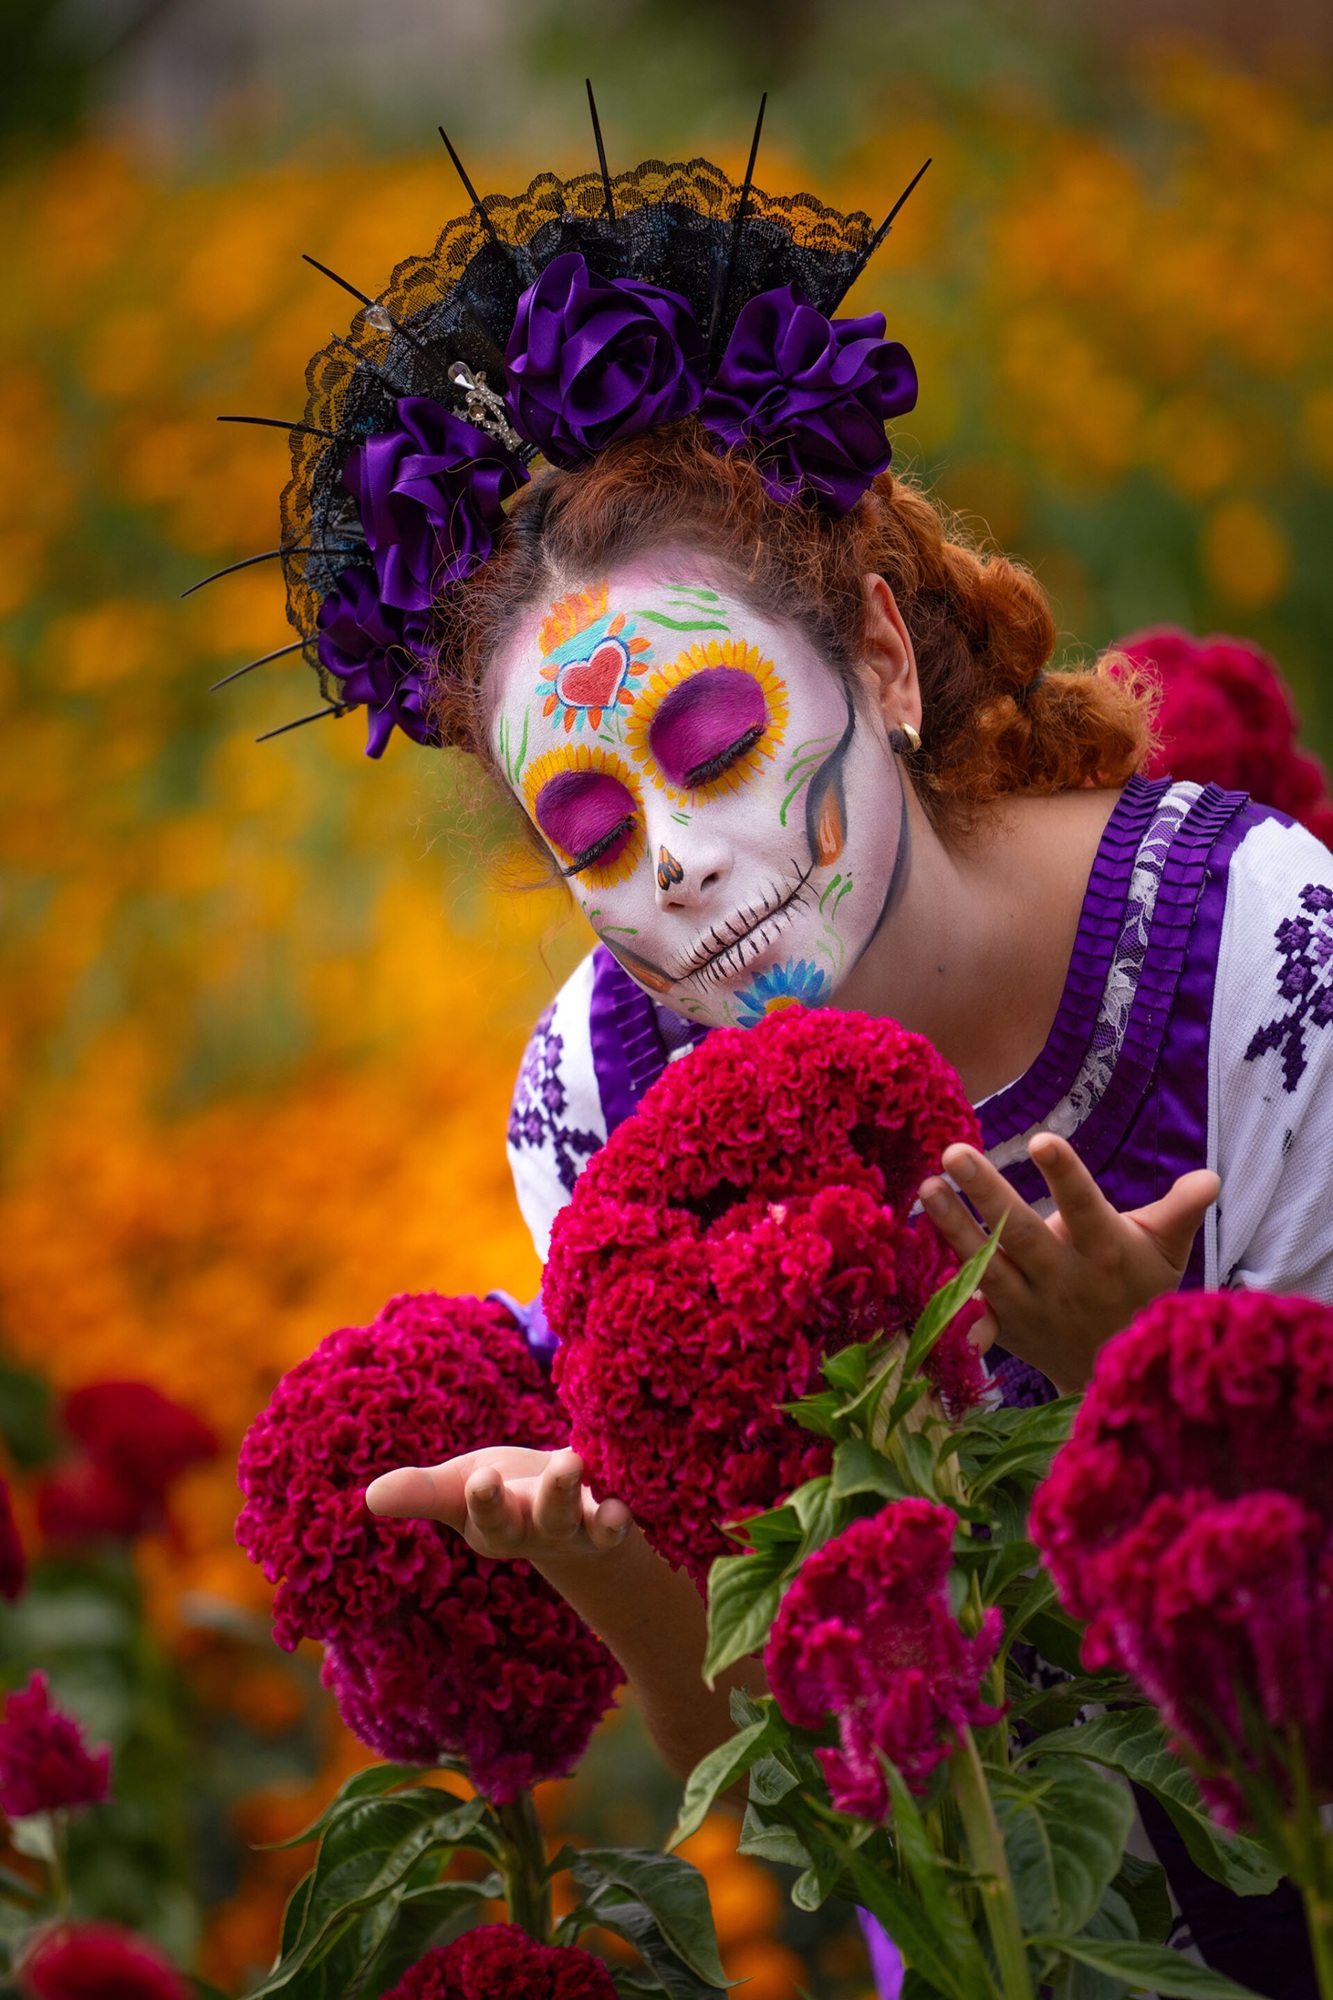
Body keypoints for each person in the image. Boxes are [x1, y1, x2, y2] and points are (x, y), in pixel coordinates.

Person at [226, 132, 1332, 1990]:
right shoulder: (592, 1102)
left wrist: (1146, 1382)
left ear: (882, 660)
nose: (668, 855)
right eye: (586, 826)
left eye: (717, 736)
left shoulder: (1259, 954)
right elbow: (759, 1746)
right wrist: (590, 1549)